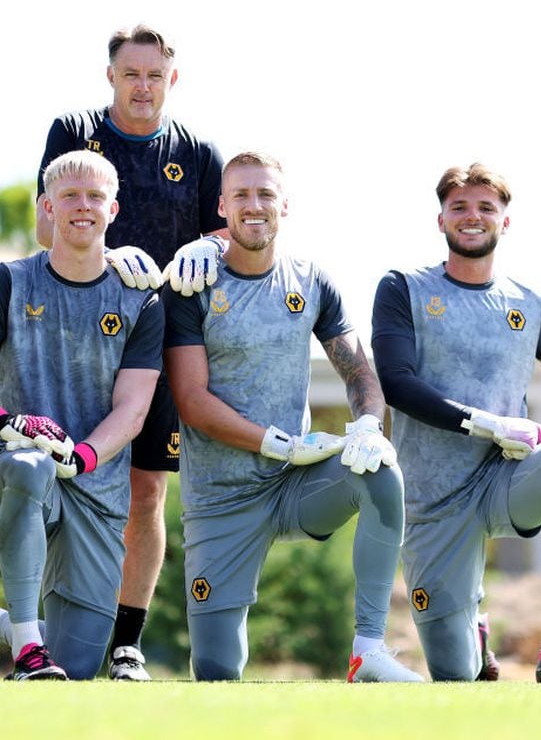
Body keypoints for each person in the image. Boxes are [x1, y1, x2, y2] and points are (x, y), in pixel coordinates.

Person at [164, 152, 422, 682]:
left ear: (285, 205)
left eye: (265, 195)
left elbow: (359, 374)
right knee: (215, 671)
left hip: (293, 483)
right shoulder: (194, 285)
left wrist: (370, 425)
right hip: (221, 497)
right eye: (241, 195)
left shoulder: (312, 281)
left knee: (381, 473)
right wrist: (275, 443)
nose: (254, 206)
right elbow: (191, 402)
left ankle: (367, 651)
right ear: (222, 206)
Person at [35, 23, 226, 680]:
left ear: (172, 80)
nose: (142, 86)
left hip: (162, 338)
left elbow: (223, 240)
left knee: (145, 495)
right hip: (79, 330)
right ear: (110, 77)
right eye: (130, 74)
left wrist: (210, 247)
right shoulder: (74, 130)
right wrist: (104, 254)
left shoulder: (198, 153)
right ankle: (39, 630)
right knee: (63, 480)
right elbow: (45, 219)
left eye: (154, 75)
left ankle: (125, 644)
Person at [371, 162, 541, 683]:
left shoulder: (530, 303)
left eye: (485, 208)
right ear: (441, 220)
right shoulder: (402, 288)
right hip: (432, 500)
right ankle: (473, 626)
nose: (472, 217)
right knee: (459, 674)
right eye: (460, 208)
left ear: (505, 221)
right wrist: (488, 424)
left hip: (506, 480)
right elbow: (398, 384)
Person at [0, 150, 163, 681]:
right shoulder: (11, 280)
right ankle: (27, 650)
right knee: (27, 464)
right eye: (69, 196)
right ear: (48, 207)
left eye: (95, 197)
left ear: (114, 209)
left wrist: (82, 456)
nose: (82, 206)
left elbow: (133, 409)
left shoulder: (141, 300)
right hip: (25, 467)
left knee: (79, 667)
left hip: (96, 482)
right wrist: (5, 424)